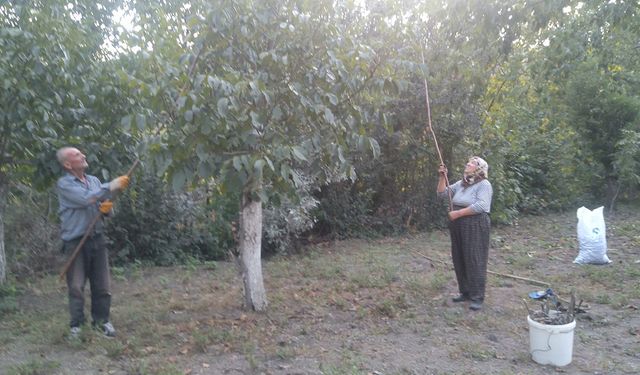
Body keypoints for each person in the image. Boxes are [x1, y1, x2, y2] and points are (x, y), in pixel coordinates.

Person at [56, 147, 130, 337]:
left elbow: (105, 209)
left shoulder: (94, 181)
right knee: (76, 286)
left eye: (81, 154)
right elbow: (85, 199)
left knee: (102, 285)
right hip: (75, 242)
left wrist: (106, 209)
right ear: (67, 164)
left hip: (97, 238)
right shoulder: (64, 184)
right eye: (77, 155)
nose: (83, 156)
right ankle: (77, 326)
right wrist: (112, 185)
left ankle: (102, 322)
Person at [437, 156, 493, 311]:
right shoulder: (461, 184)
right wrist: (442, 177)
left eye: (473, 163)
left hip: (475, 223)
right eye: (468, 161)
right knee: (459, 257)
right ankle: (465, 292)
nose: (468, 163)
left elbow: (482, 205)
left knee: (474, 258)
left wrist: (458, 213)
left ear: (480, 168)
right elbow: (442, 194)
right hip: (458, 223)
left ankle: (477, 296)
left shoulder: (484, 184)